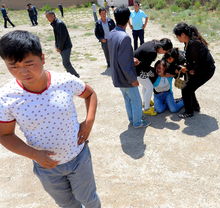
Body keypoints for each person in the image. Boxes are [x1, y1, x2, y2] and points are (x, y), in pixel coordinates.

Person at [0, 30, 101, 208]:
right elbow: (5, 135)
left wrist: (88, 122)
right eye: (13, 67)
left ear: (42, 58)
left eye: (29, 63)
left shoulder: (63, 81)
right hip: (47, 168)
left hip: (79, 157)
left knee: (89, 199)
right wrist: (34, 155)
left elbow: (90, 94)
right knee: (67, 205)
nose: (23, 72)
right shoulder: (7, 97)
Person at [107, 7, 150, 128]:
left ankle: (132, 119)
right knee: (136, 101)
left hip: (117, 75)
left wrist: (131, 60)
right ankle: (137, 122)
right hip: (126, 78)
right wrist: (133, 79)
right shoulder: (125, 37)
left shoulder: (111, 34)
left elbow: (117, 56)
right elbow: (124, 64)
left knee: (127, 100)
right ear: (128, 19)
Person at [173, 22, 216, 118]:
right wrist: (189, 69)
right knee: (190, 87)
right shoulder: (188, 41)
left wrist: (188, 69)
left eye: (177, 36)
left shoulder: (193, 43)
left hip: (206, 71)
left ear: (183, 35)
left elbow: (195, 63)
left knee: (186, 89)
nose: (177, 38)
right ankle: (195, 107)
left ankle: (189, 111)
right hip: (201, 68)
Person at [134, 38, 173, 116]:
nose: (164, 53)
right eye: (165, 51)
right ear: (161, 48)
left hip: (135, 65)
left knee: (146, 85)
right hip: (136, 69)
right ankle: (147, 109)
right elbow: (145, 67)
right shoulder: (152, 53)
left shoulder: (153, 43)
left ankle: (145, 101)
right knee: (149, 87)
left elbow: (144, 64)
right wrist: (155, 72)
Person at [45, 11, 80, 78]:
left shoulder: (59, 23)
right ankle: (71, 76)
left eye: (49, 17)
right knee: (66, 63)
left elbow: (62, 37)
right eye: (47, 17)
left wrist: (59, 48)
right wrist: (56, 46)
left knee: (66, 63)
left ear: (53, 16)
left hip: (65, 46)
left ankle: (75, 76)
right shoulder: (55, 23)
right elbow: (57, 36)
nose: (48, 19)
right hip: (62, 46)